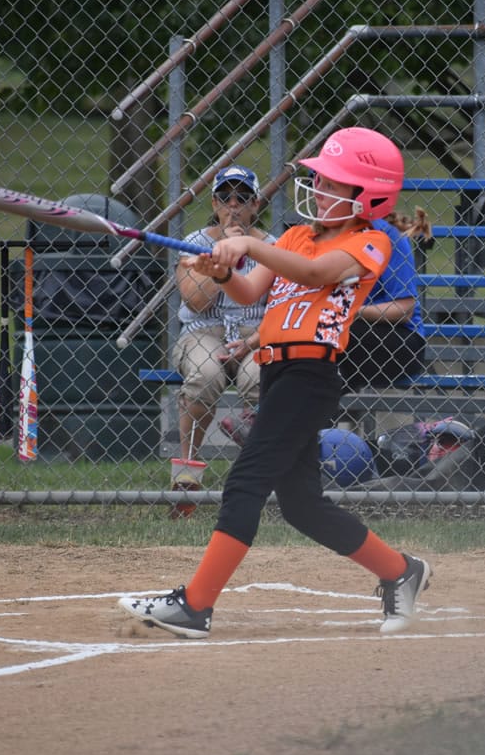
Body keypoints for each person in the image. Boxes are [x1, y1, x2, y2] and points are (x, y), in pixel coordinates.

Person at [118, 126, 431, 638]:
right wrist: (222, 272)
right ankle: (401, 571)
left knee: (245, 481)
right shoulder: (295, 236)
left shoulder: (369, 242)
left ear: (367, 195)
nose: (319, 189)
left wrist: (245, 242)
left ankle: (195, 606)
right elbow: (248, 294)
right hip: (277, 369)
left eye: (333, 183)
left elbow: (315, 274)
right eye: (321, 180)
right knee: (301, 506)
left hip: (312, 375)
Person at [166, 165, 274, 519]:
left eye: (242, 198)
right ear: (214, 203)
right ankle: (187, 477)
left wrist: (253, 341)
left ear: (255, 204)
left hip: (255, 334)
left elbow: (280, 307)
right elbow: (196, 301)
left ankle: (258, 480)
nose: (233, 205)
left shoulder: (271, 246)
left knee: (260, 380)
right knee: (205, 375)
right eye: (225, 198)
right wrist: (222, 252)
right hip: (204, 331)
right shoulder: (195, 243)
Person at [337, 210, 429, 391]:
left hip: (399, 340)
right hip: (349, 333)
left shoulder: (386, 234)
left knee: (331, 329)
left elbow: (404, 309)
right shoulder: (321, 234)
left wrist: (350, 311)